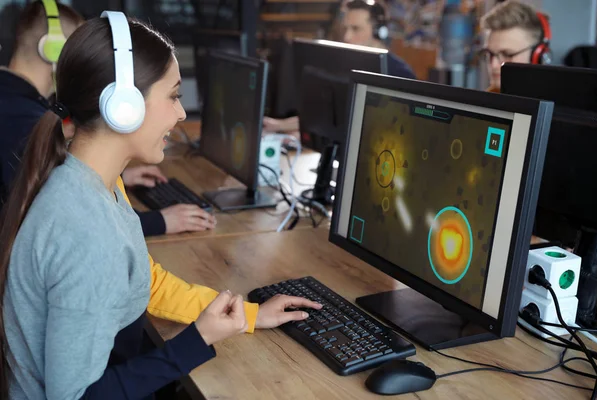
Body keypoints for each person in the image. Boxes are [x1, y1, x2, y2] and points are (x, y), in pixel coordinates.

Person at [0, 11, 321, 399]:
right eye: (173, 96)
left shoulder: (92, 180)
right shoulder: (85, 231)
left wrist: (250, 315)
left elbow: (143, 280)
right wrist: (194, 342)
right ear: (123, 106)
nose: (182, 113)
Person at [0, 1, 214, 237]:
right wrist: (158, 222)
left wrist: (119, 175)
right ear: (51, 49)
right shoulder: (21, 119)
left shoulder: (18, 103)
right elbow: (75, 220)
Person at [263, 0, 415, 134]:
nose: (347, 37)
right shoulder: (346, 65)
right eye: (346, 29)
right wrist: (278, 125)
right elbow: (330, 118)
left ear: (377, 32)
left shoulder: (401, 73)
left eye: (356, 29)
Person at [480, 0, 551, 92]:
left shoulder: (560, 104)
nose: (493, 65)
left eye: (507, 54)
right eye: (490, 54)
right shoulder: (488, 97)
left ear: (538, 56)